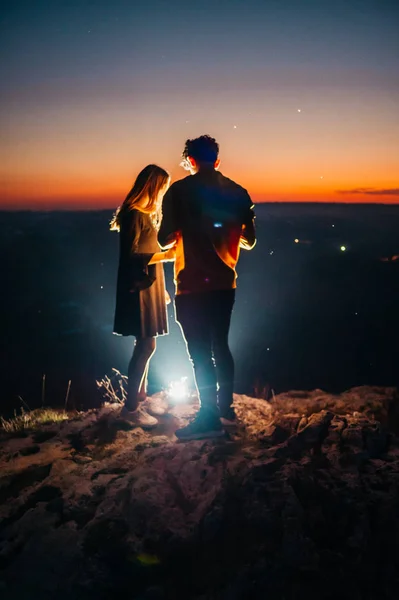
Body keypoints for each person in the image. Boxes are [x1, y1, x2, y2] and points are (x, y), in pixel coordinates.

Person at [158, 135, 256, 441]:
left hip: (190, 283)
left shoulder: (179, 191)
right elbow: (250, 241)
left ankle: (208, 418)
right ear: (217, 158)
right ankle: (225, 408)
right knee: (221, 345)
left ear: (189, 161)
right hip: (225, 281)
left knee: (199, 352)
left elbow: (163, 239)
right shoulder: (238, 192)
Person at [111, 164, 175, 428]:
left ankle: (139, 397)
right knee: (146, 345)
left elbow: (150, 248)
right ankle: (131, 408)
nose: (163, 193)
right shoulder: (134, 215)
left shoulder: (145, 215)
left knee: (146, 344)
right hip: (138, 287)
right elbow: (132, 255)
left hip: (148, 286)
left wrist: (167, 249)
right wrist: (166, 255)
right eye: (162, 188)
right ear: (153, 186)